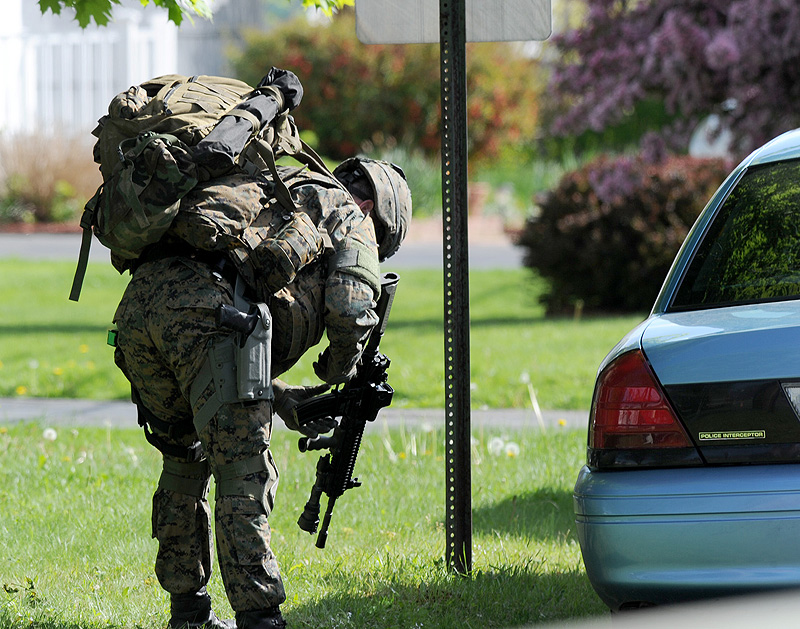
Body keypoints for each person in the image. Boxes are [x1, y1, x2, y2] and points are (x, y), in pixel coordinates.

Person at [110, 155, 411, 629]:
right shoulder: (349, 214)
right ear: (371, 207)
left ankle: (188, 615)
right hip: (211, 315)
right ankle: (260, 619)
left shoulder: (270, 183)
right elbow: (351, 309)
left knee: (185, 461)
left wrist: (281, 396)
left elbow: (214, 339)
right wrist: (338, 369)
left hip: (139, 312)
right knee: (243, 471)